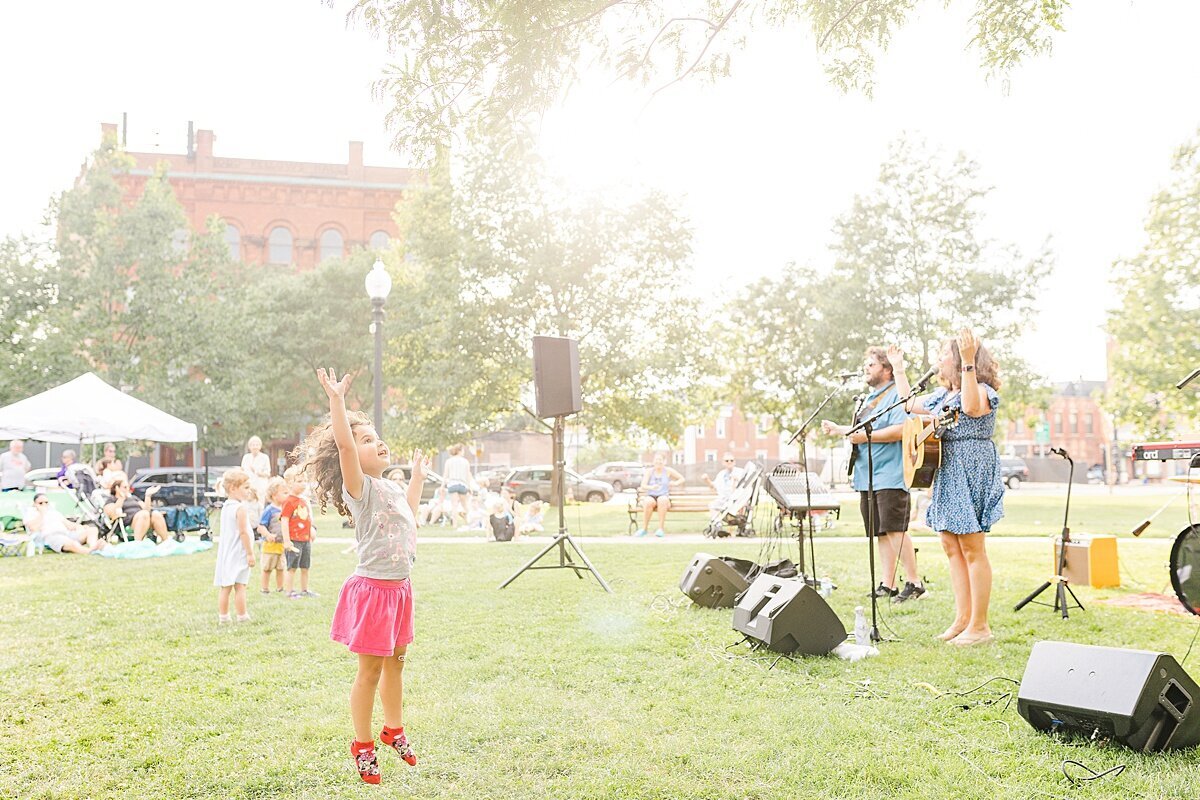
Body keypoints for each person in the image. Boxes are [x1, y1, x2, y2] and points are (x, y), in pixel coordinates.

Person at [302, 368, 422, 784]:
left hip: (400, 590)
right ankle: (363, 744)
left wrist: (419, 479)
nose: (377, 443)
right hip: (373, 592)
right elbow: (345, 449)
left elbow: (408, 515)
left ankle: (394, 730)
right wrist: (337, 401)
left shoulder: (390, 486)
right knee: (369, 671)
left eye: (376, 436)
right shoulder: (362, 489)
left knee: (397, 664)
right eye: (366, 440)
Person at [891, 329, 1005, 646]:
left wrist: (968, 362)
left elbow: (971, 408)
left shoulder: (980, 388)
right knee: (950, 545)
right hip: (949, 467)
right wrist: (898, 368)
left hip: (971, 465)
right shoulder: (943, 397)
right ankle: (963, 619)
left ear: (958, 360)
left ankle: (980, 627)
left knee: (971, 547)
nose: (938, 360)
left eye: (943, 354)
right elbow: (908, 406)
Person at [822, 346, 925, 604]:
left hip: (890, 474)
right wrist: (839, 429)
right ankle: (887, 584)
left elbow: (902, 430)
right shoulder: (868, 399)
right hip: (866, 474)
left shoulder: (897, 395)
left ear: (887, 369)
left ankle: (914, 583)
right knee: (879, 532)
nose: (866, 368)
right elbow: (861, 431)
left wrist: (864, 436)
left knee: (895, 530)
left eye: (872, 364)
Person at [213, 467, 256, 623]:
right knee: (240, 586)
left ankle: (223, 617)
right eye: (245, 487)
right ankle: (242, 615)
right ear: (232, 488)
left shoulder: (226, 507)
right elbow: (243, 532)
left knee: (226, 586)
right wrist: (250, 553)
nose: (248, 491)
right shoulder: (240, 508)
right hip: (239, 552)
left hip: (227, 553)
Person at [23, 492, 104, 554]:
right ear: (34, 504)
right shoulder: (31, 514)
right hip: (52, 536)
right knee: (72, 543)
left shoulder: (54, 512)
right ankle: (89, 551)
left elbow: (69, 525)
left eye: (46, 502)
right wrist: (41, 514)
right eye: (40, 503)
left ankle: (94, 546)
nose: (44, 505)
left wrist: (80, 526)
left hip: (66, 533)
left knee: (92, 530)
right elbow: (33, 528)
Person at [281, 466, 317, 599]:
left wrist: (311, 530)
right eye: (299, 481)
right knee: (292, 567)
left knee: (305, 566)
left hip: (305, 539)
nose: (303, 484)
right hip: (293, 540)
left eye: (305, 481)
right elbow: (284, 521)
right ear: (290, 483)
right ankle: (289, 591)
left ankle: (305, 589)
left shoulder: (304, 500)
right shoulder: (289, 501)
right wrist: (286, 541)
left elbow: (307, 518)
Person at [104, 479, 170, 543]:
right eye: (125, 487)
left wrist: (148, 495)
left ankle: (166, 542)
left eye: (128, 487)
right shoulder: (112, 499)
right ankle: (138, 544)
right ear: (117, 488)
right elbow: (111, 513)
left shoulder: (133, 498)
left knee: (156, 514)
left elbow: (147, 510)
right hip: (129, 522)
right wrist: (121, 497)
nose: (127, 489)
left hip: (144, 518)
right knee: (144, 514)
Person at [636, 452, 685, 538]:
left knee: (662, 500)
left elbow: (682, 478)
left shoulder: (668, 471)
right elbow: (643, 485)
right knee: (647, 502)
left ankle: (660, 529)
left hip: (663, 496)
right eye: (656, 459)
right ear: (653, 461)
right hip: (651, 495)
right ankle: (644, 529)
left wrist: (675, 483)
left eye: (660, 459)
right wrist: (651, 487)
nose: (658, 461)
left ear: (664, 461)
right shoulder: (649, 471)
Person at [256, 477, 292, 595]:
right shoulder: (269, 510)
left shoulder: (286, 509)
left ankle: (280, 588)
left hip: (281, 545)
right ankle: (264, 588)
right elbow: (260, 527)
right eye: (285, 493)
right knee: (267, 568)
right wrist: (268, 534)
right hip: (270, 545)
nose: (288, 495)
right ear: (274, 495)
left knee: (281, 568)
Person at [241, 436, 272, 522]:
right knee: (246, 504)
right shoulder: (246, 457)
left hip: (260, 486)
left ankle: (260, 524)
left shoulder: (264, 457)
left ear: (260, 446)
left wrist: (258, 472)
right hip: (248, 486)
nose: (255, 447)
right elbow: (243, 471)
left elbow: (268, 473)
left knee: (260, 506)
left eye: (257, 444)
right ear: (249, 446)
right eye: (253, 444)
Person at [442, 443, 473, 525]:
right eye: (463, 450)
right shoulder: (465, 461)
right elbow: (468, 475)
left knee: (454, 505)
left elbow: (445, 475)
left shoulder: (449, 461)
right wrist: (470, 487)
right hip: (463, 484)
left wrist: (442, 486)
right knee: (465, 505)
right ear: (459, 451)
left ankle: (455, 524)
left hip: (452, 484)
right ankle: (469, 522)